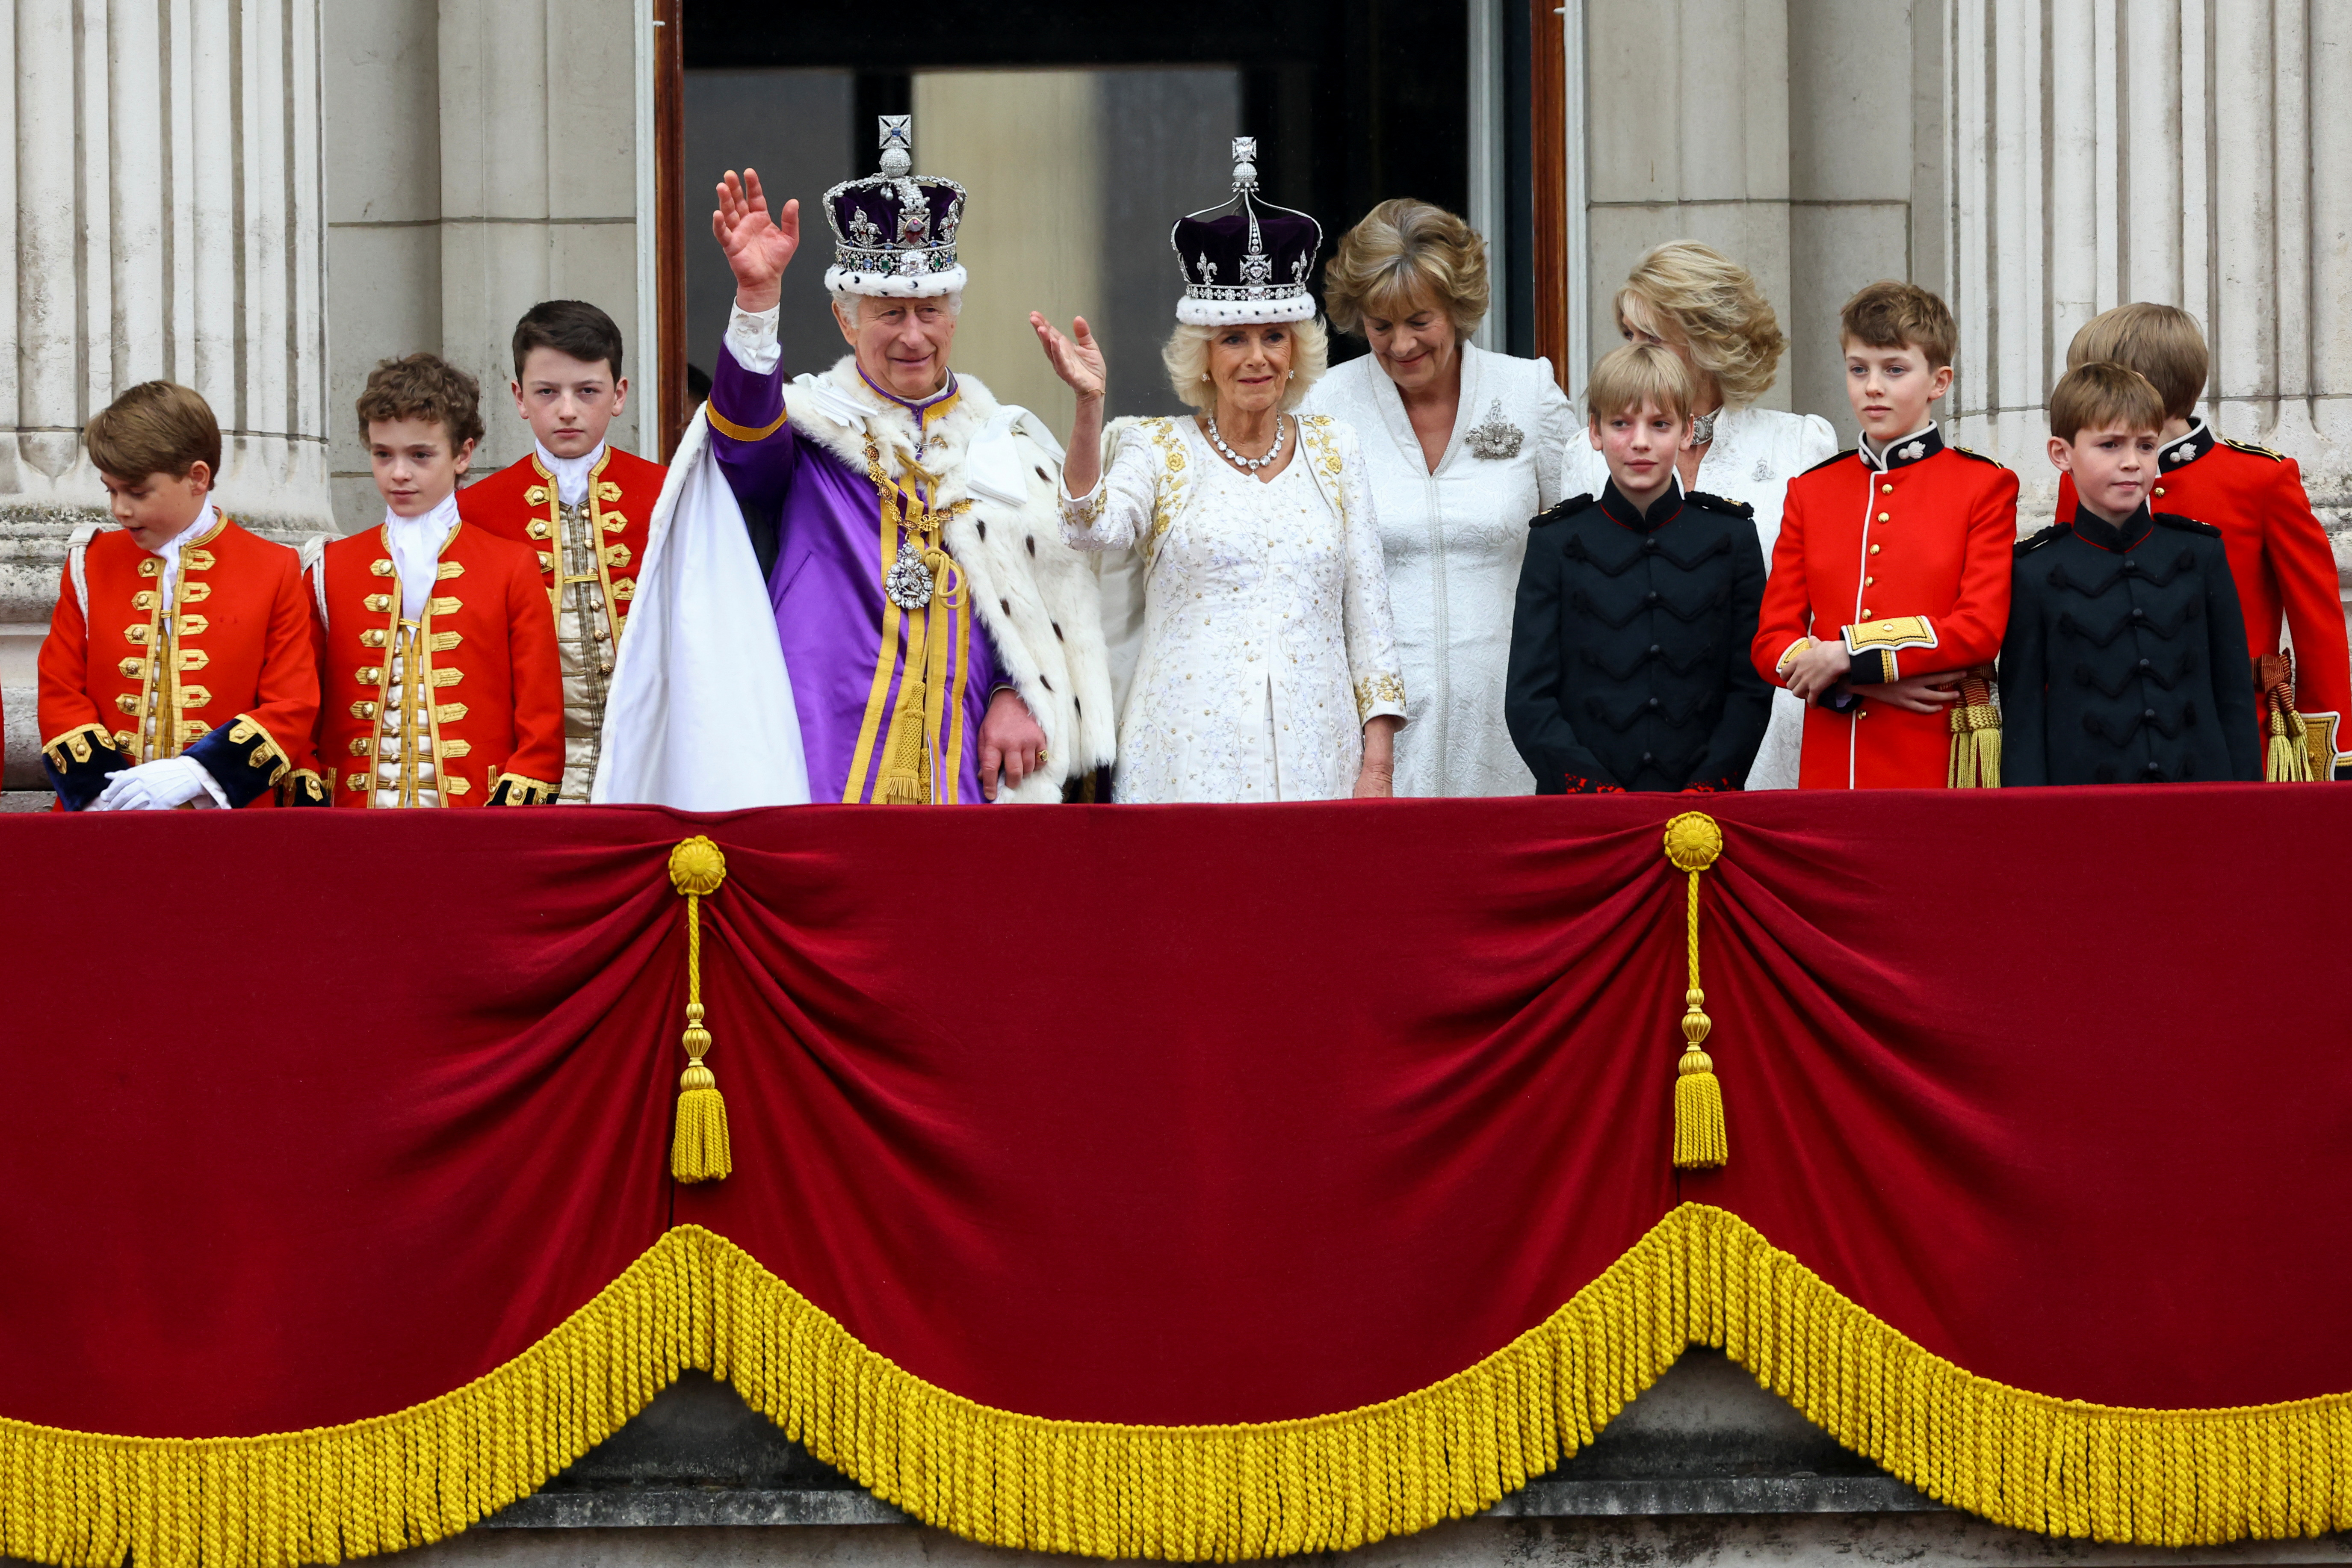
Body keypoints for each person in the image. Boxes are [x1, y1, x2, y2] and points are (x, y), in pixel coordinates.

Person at [668, 115, 1113, 806]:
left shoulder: (1004, 446)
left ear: (955, 317)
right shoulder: (812, 431)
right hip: (819, 748)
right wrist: (757, 302)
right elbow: (742, 447)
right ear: (847, 321)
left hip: (964, 757)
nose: (913, 335)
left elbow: (1043, 598)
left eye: (930, 311)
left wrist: (1016, 689)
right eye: (888, 314)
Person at [1033, 137, 1406, 803]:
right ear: (1204, 356)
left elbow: (1371, 623)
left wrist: (1376, 767)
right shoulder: (1159, 448)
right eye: (1234, 338)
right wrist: (1090, 405)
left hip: (1320, 754)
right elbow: (1089, 525)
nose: (1256, 357)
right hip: (1185, 757)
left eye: (1273, 335)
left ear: (1297, 349)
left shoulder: (1336, 448)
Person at [1297, 198, 1572, 797]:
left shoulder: (1527, 393)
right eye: (1380, 324)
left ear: (1458, 307)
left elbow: (1583, 551)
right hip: (1373, 730)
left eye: (1420, 321)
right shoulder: (1323, 407)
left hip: (1513, 715)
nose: (1400, 345)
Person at [1577, 242, 1838, 790]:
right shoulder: (1586, 451)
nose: (1633, 352)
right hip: (1633, 731)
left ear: (1707, 341)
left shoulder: (1799, 443)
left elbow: (1827, 600)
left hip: (1773, 722)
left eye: (1649, 338)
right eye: (1626, 336)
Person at [2054, 304, 2350, 779]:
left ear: (2139, 385)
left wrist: (2331, 749)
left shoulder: (2259, 479)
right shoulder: (2081, 481)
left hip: (2238, 736)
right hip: (2113, 739)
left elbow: (2318, 622)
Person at [1751, 281, 2017, 789]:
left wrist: (1846, 652)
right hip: (1833, 760)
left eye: (1894, 369)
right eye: (1858, 369)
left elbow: (1979, 628)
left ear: (1939, 382)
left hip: (1933, 755)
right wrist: (1858, 679)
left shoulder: (1983, 485)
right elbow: (1771, 641)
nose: (1872, 386)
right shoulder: (1812, 490)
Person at [36, 381, 322, 811]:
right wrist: (103, 794)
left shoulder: (274, 567)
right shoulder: (89, 563)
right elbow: (59, 688)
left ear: (197, 478)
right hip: (105, 819)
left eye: (136, 491)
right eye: (110, 490)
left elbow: (293, 703)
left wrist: (199, 773)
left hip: (230, 825)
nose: (120, 509)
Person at [1507, 345, 1770, 794]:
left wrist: (1707, 787)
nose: (1640, 442)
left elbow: (1750, 686)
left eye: (1660, 424)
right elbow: (1528, 698)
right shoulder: (1555, 542)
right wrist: (1595, 793)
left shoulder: (1732, 538)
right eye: (1621, 424)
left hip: (1702, 811)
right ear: (1594, 431)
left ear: (1687, 432)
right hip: (1583, 810)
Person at [306, 354, 564, 807]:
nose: (399, 473)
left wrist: (507, 819)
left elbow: (541, 721)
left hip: (474, 824)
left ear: (463, 454)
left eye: (420, 455)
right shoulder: (329, 566)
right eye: (383, 454)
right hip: (349, 823)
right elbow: (302, 705)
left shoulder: (511, 566)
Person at [2002, 363, 2259, 785]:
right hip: (2084, 811)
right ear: (2061, 454)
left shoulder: (2201, 553)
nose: (2131, 463)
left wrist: (2247, 802)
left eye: (2145, 446)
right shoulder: (2034, 570)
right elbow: (2023, 718)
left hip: (2201, 800)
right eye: (2110, 445)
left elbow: (2232, 695)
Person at [459, 300, 665, 801]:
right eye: (547, 392)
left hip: (650, 761)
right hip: (526, 771)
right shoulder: (474, 510)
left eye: (587, 391)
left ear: (618, 395)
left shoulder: (667, 495)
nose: (567, 410)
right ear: (519, 397)